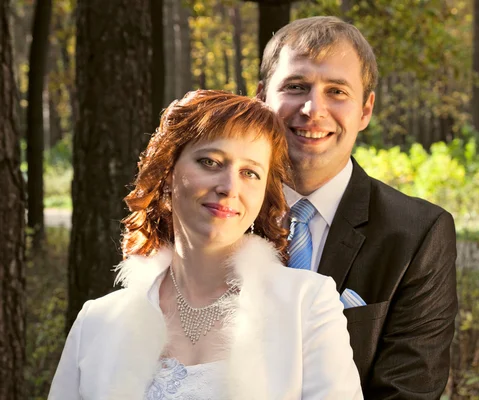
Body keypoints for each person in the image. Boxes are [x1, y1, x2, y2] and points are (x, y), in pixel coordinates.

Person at [48, 90, 362, 399]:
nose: (229, 187)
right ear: (168, 173)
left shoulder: (307, 304)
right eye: (210, 162)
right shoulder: (96, 321)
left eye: (250, 172)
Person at [256, 16, 458, 399]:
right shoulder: (219, 213)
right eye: (296, 87)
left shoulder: (417, 235)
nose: (313, 109)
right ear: (262, 98)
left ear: (365, 110)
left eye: (337, 91)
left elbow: (407, 392)